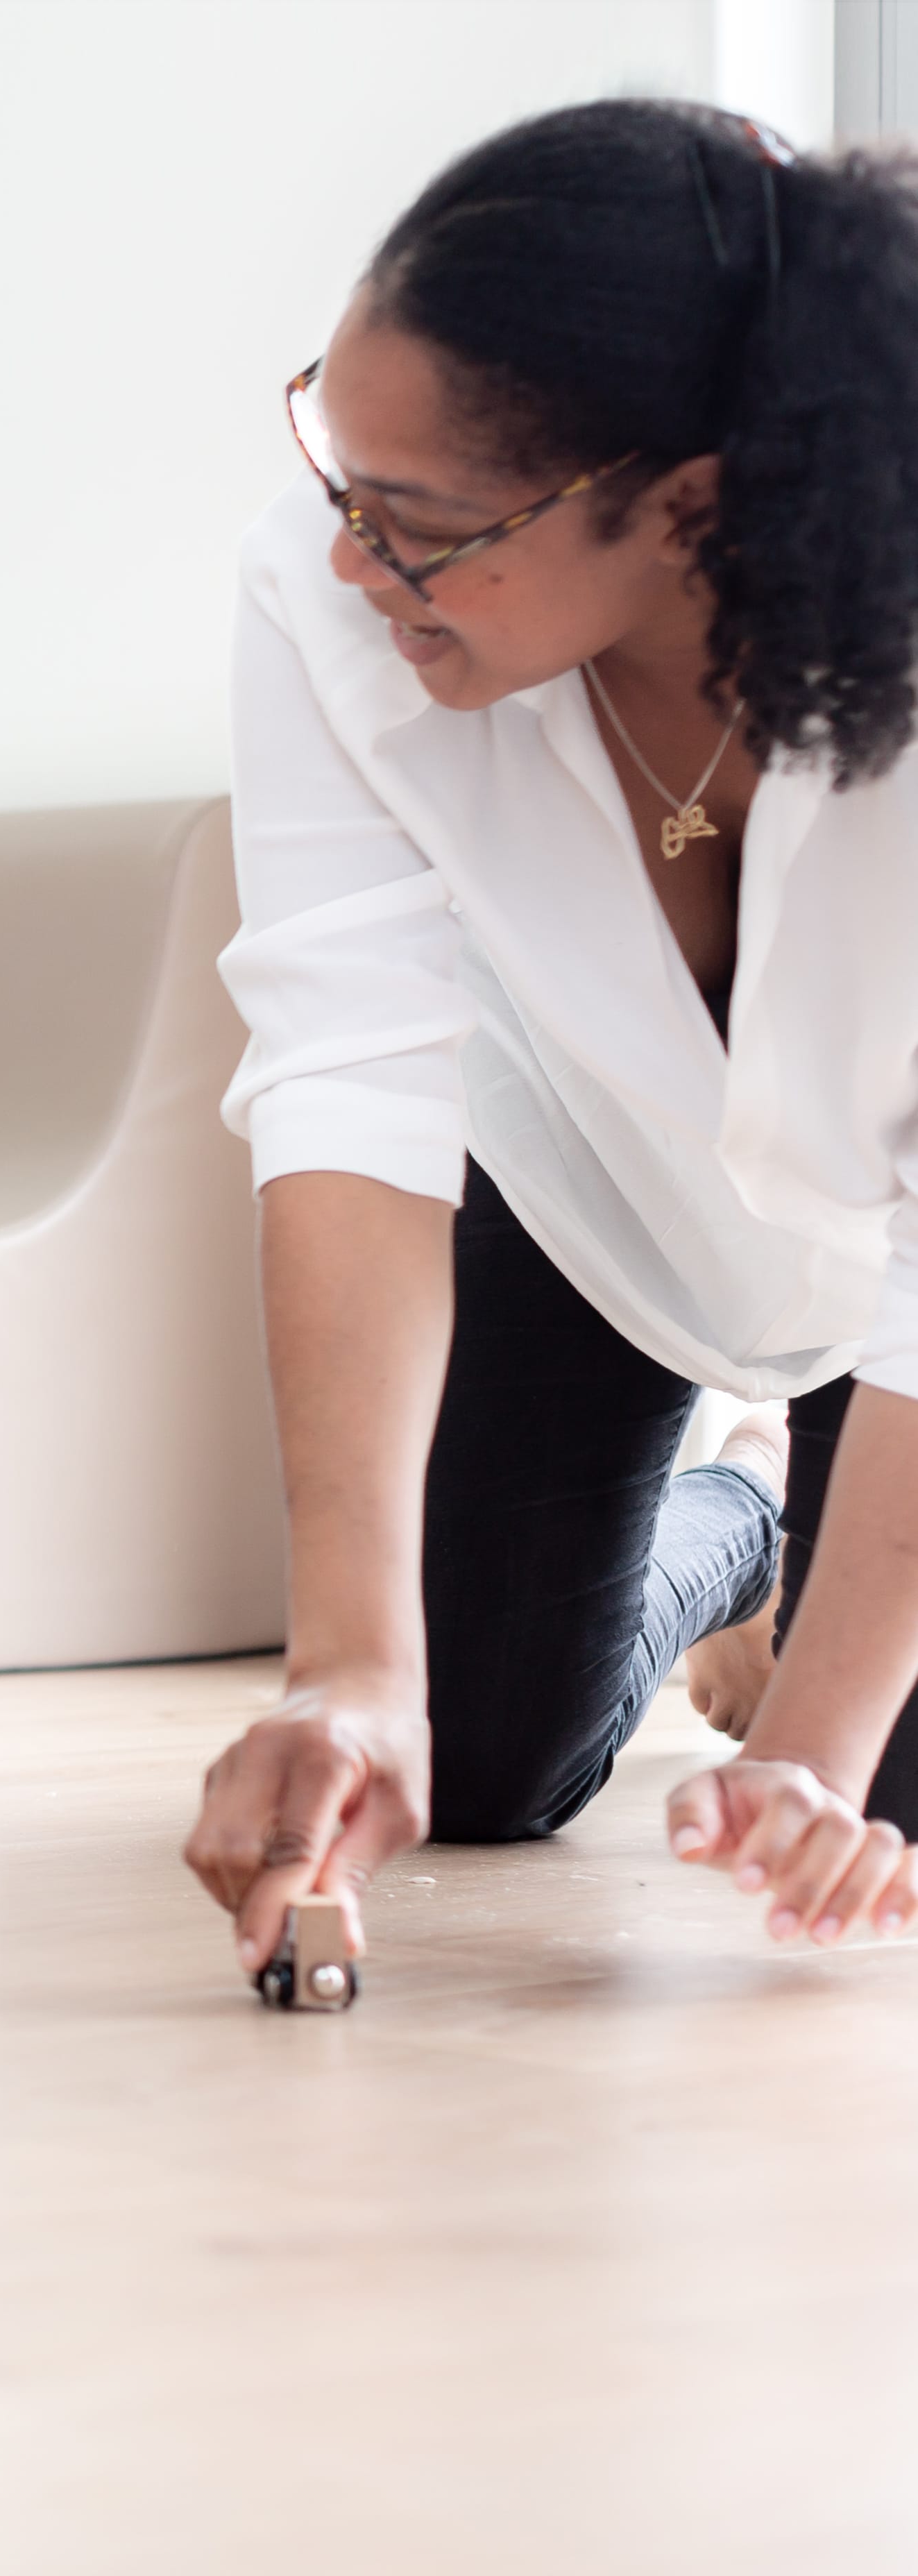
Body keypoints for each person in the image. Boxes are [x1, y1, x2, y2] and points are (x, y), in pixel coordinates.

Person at [184, 100, 918, 1974]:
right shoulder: (326, 596)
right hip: (599, 1190)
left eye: (416, 527)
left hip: (889, 1248)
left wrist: (820, 1750)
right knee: (475, 1756)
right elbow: (344, 1073)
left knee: (878, 1812)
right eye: (334, 472)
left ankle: (804, 1577)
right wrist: (346, 1668)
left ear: (682, 501)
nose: (350, 559)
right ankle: (735, 1513)